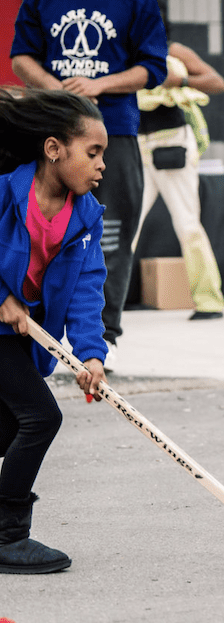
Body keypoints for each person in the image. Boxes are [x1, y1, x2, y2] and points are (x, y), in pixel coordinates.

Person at [10, 0, 168, 357]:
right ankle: (34, 337)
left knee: (110, 233)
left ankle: (103, 340)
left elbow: (152, 68)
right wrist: (59, 92)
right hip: (50, 133)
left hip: (112, 132)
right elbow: (21, 57)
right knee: (34, 229)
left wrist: (98, 84)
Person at [0, 88, 109, 573]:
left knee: (6, 427)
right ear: (53, 149)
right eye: (93, 152)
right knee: (41, 418)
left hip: (23, 339)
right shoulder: (4, 192)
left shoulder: (86, 218)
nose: (102, 165)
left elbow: (88, 290)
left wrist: (91, 356)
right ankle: (8, 536)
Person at [132, 1, 224, 321]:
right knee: (123, 229)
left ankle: (209, 301)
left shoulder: (174, 52)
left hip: (171, 145)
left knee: (187, 225)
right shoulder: (124, 57)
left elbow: (217, 82)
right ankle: (107, 305)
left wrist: (180, 81)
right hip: (135, 149)